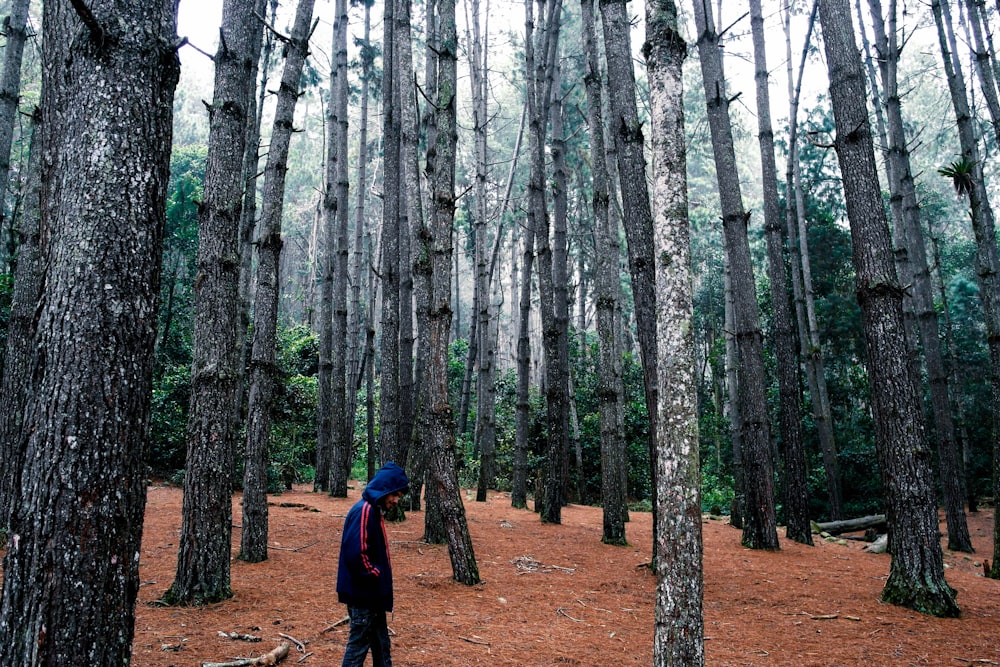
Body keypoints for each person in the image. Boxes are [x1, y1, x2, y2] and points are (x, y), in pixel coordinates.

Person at [336, 461, 410, 667]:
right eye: (394, 495)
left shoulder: (372, 510)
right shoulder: (365, 510)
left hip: (372, 596)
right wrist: (375, 574)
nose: (396, 500)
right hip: (364, 596)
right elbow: (355, 554)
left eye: (399, 497)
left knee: (381, 645)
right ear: (385, 489)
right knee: (357, 649)